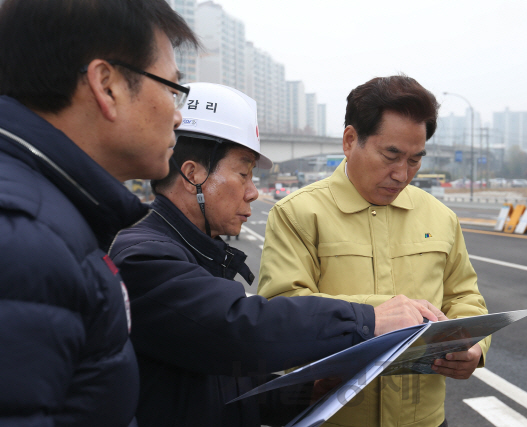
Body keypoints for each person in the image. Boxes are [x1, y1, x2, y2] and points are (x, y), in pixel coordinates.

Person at [108, 82, 441, 427]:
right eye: (243, 173)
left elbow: (220, 379)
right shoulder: (142, 258)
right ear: (193, 175)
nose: (253, 192)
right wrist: (369, 321)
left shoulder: (196, 253)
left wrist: (304, 394)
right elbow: (239, 329)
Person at [0, 1, 198, 425]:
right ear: (106, 85)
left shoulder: (46, 214)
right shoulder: (26, 241)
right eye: (171, 88)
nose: (178, 116)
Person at [258, 75, 491, 427]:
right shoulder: (298, 214)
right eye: (391, 155)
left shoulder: (439, 216)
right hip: (333, 418)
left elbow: (465, 296)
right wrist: (376, 314)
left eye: (415, 160)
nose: (402, 174)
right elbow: (282, 309)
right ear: (350, 140)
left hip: (425, 420)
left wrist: (473, 347)